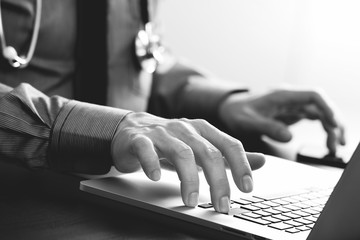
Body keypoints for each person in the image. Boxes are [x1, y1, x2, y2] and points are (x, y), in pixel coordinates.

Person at [0, 0, 345, 214]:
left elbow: (137, 59)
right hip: (20, 196)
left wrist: (226, 101)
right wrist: (105, 126)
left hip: (124, 188)